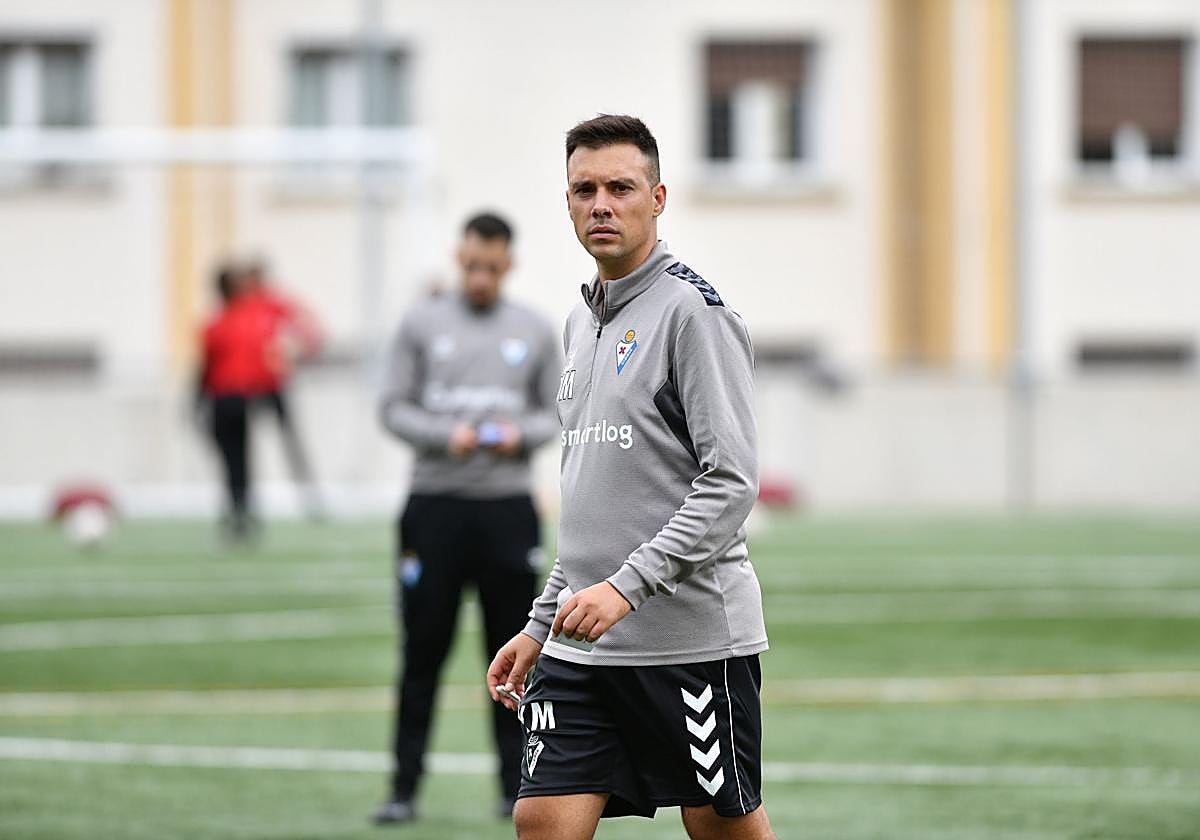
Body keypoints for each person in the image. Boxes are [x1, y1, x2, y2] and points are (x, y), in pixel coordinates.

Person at [486, 115, 776, 839]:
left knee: (720, 829)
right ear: (568, 203)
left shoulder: (694, 315)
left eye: (621, 187)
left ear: (659, 198)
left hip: (690, 645)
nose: (601, 204)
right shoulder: (578, 326)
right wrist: (541, 622)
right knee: (542, 820)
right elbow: (593, 501)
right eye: (585, 189)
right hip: (581, 646)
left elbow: (732, 483)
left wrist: (627, 587)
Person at [374, 212, 562, 824]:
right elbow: (393, 408)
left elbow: (556, 411)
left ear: (509, 263)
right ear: (460, 258)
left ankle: (517, 790)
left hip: (507, 510)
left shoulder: (533, 329)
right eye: (472, 265)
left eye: (492, 267)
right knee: (422, 650)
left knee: (512, 655)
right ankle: (403, 791)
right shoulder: (422, 324)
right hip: (435, 508)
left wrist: (516, 435)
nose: (480, 277)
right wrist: (442, 435)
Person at [240, 260, 325, 519]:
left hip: (273, 384)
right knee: (243, 449)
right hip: (248, 387)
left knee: (291, 443)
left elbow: (307, 326)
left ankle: (310, 499)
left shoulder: (272, 303)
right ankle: (245, 506)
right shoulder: (242, 306)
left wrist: (299, 354)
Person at [197, 265, 262, 541]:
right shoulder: (244, 322)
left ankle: (238, 513)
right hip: (239, 399)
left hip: (222, 399)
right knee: (240, 461)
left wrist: (197, 400)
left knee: (231, 461)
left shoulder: (215, 324)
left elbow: (205, 367)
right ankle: (242, 512)